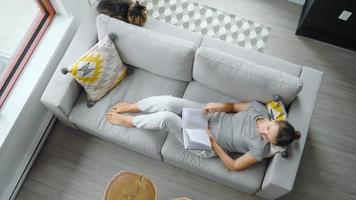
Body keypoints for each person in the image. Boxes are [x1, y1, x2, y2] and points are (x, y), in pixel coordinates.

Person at [106, 95, 301, 171]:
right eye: (268, 129)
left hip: (206, 144)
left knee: (167, 118)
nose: (263, 134)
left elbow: (233, 165)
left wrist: (213, 141)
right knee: (169, 103)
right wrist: (217, 105)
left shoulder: (260, 147)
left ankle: (132, 121)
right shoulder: (258, 109)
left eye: (268, 138)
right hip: (209, 117)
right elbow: (232, 106)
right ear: (276, 119)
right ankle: (134, 106)